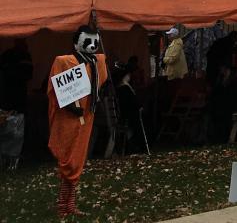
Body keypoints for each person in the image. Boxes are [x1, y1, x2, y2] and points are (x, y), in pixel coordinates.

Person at [47, 24, 108, 218]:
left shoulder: (96, 63)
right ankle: (62, 205)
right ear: (76, 42)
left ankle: (69, 204)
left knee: (78, 160)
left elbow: (101, 81)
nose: (92, 46)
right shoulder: (65, 62)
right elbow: (57, 89)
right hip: (68, 119)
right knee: (69, 161)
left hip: (86, 117)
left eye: (95, 42)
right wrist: (70, 106)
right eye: (87, 41)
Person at [113, 61, 149, 154]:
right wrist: (140, 107)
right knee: (145, 120)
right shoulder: (124, 88)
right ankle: (140, 145)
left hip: (125, 114)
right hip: (129, 115)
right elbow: (132, 102)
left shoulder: (119, 88)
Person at [0, 40, 33, 114]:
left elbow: (29, 73)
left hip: (14, 90)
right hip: (10, 90)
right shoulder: (9, 54)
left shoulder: (24, 55)